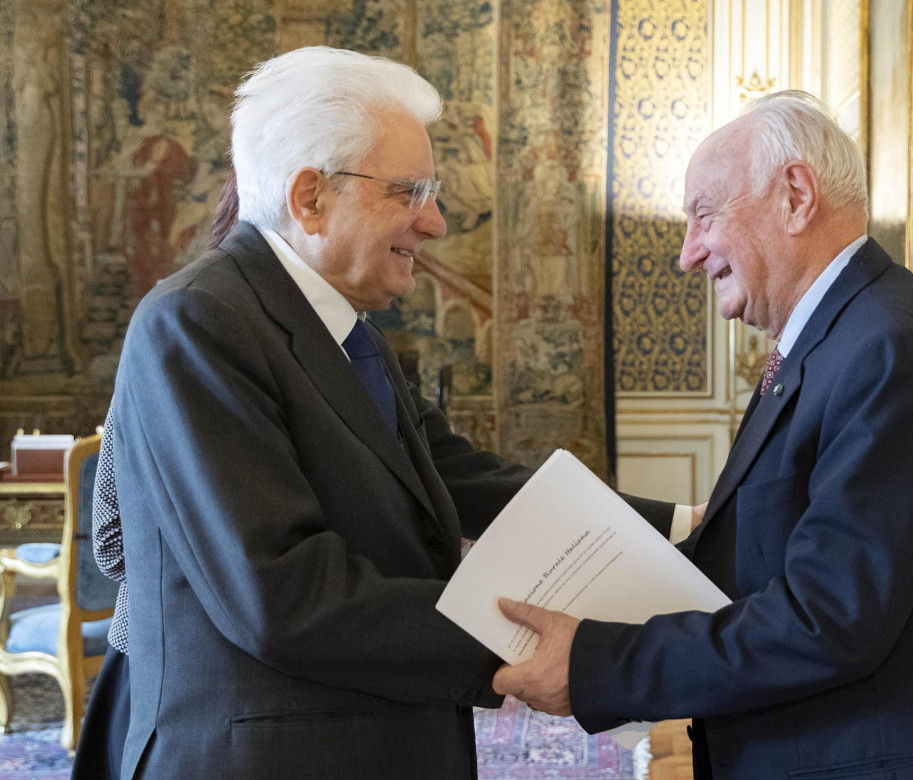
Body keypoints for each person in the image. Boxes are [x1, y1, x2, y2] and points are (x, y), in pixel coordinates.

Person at [92, 47, 676, 779]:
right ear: (310, 198)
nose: (433, 224)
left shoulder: (345, 330)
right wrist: (533, 646)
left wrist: (685, 529)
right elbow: (283, 594)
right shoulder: (199, 322)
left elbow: (461, 477)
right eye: (409, 192)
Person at [493, 90, 913, 779]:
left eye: (703, 216)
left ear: (796, 196)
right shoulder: (837, 339)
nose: (688, 255)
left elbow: (828, 618)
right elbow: (767, 558)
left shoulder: (890, 350)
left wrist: (600, 665)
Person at [72, 173, 240, 779]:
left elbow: (113, 544)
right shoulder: (180, 327)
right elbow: (115, 543)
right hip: (157, 670)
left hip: (175, 666)